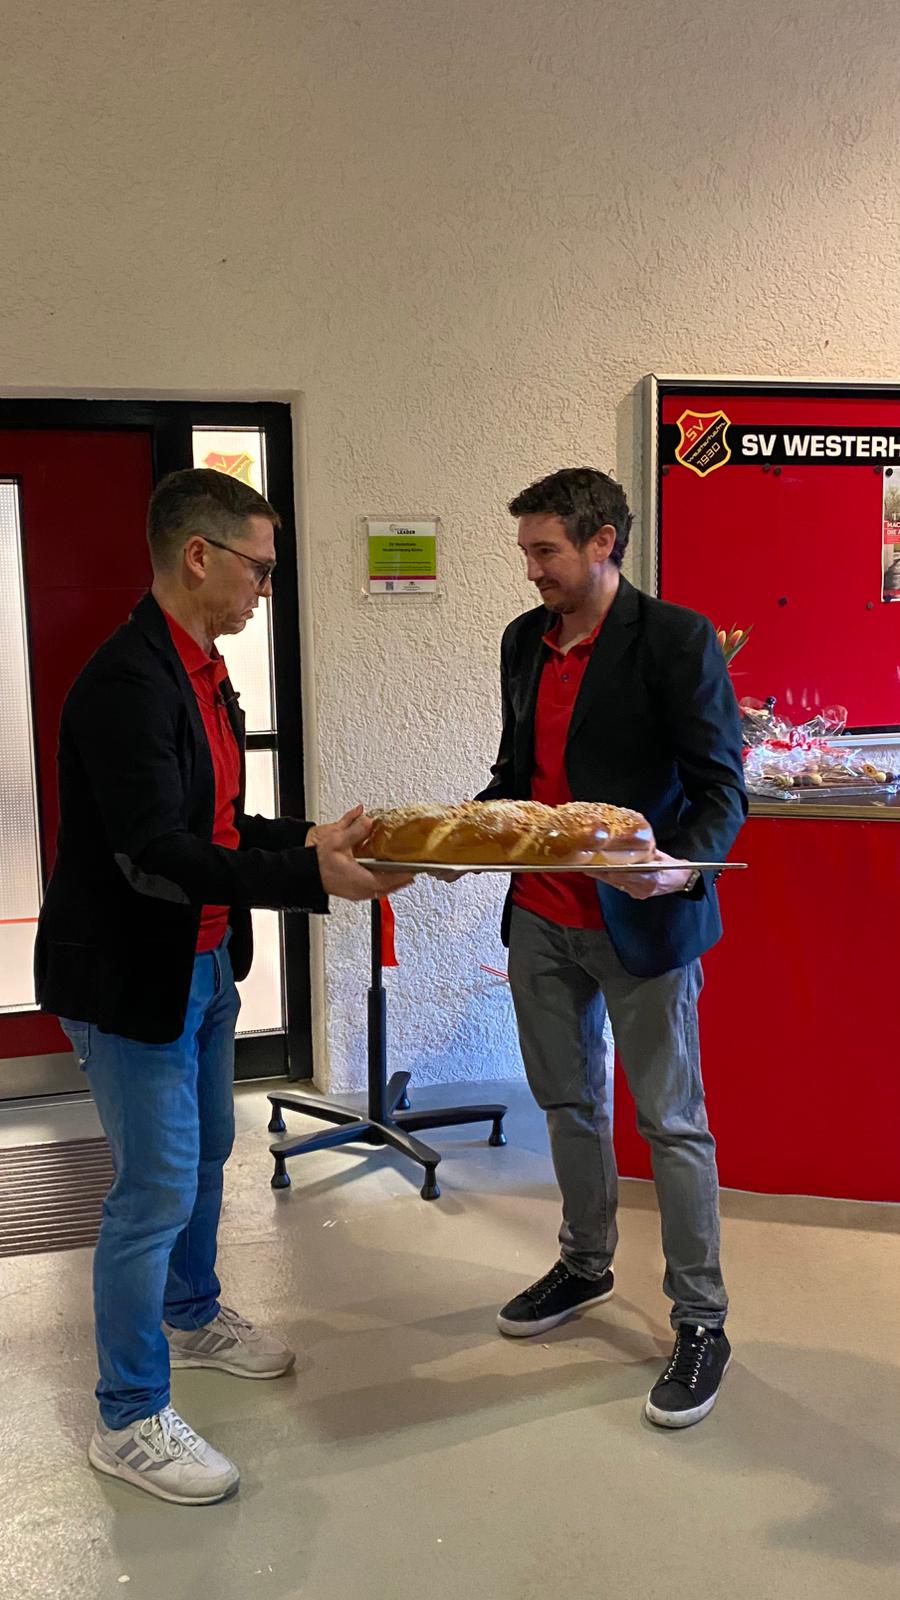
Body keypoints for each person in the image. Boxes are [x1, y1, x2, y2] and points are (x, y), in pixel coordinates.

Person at [35, 467, 411, 1505]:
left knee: (206, 1155)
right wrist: (310, 877)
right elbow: (155, 853)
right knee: (152, 1190)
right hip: (130, 977)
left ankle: (192, 1314)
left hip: (202, 964)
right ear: (199, 556)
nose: (265, 589)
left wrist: (311, 839)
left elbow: (220, 826)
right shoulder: (125, 684)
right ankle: (128, 1416)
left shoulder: (203, 671)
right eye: (260, 568)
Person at [477, 467, 747, 1428]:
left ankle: (701, 1319)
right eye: (527, 552)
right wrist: (456, 839)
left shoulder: (676, 639)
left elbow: (721, 787)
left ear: (603, 543)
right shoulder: (524, 640)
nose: (532, 571)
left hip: (643, 921)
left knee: (671, 1122)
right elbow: (516, 774)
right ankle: (585, 1263)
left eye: (546, 551)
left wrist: (683, 869)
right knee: (567, 1101)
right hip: (540, 918)